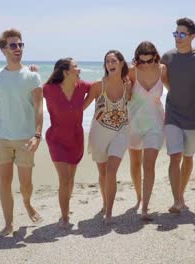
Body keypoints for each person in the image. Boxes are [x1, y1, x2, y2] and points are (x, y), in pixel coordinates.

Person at [0, 28, 43, 238]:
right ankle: (8, 224)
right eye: (13, 45)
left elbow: (39, 106)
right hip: (3, 138)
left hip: (26, 138)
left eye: (20, 44)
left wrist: (38, 134)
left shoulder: (32, 76)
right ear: (4, 50)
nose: (18, 49)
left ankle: (27, 202)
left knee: (26, 185)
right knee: (4, 181)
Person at [161, 18, 195, 214]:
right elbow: (159, 79)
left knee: (188, 157)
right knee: (174, 156)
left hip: (194, 115)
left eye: (182, 34)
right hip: (173, 113)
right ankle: (177, 199)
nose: (178, 38)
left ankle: (180, 194)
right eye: (176, 34)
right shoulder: (167, 57)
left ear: (192, 36)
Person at [43, 58, 92, 228]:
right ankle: (64, 217)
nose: (79, 69)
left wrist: (83, 106)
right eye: (75, 67)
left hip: (76, 138)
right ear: (65, 72)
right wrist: (32, 74)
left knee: (70, 179)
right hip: (56, 139)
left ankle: (66, 207)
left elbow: (101, 86)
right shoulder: (48, 89)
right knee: (64, 178)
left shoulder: (83, 86)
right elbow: (29, 94)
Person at [84, 50, 130, 224]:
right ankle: (105, 202)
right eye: (107, 61)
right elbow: (81, 107)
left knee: (111, 171)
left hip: (121, 131)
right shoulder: (98, 86)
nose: (110, 64)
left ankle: (109, 211)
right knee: (103, 173)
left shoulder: (128, 85)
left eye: (113, 61)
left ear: (121, 63)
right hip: (100, 133)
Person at [127, 41, 169, 220]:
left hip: (155, 124)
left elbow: (174, 91)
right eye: (141, 61)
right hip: (133, 124)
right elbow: (121, 93)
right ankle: (138, 196)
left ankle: (145, 206)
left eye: (149, 60)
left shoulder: (162, 70)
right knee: (135, 164)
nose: (145, 64)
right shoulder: (131, 71)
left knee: (149, 164)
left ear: (155, 57)